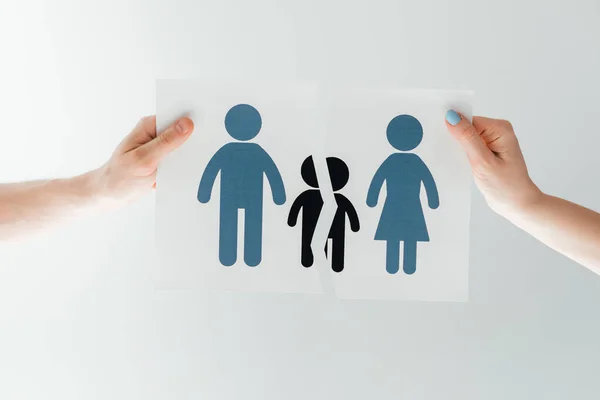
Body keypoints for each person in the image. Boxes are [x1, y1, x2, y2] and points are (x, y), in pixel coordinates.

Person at [0, 111, 598, 273]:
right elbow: (279, 186)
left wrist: (523, 205)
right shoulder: (257, 154)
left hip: (378, 220)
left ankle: (251, 253)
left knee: (284, 235)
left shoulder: (261, 157)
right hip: (379, 218)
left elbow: (286, 188)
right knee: (280, 233)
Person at [197, 104, 286, 267]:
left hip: (232, 194)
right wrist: (278, 196)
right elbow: (272, 173)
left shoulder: (228, 150)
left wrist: (204, 194)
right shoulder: (255, 151)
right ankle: (245, 257)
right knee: (245, 224)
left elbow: (211, 171)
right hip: (248, 195)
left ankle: (233, 257)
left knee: (235, 223)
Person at [367, 114, 439, 275]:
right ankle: (400, 267)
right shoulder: (412, 160)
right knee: (405, 235)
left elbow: (378, 180)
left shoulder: (395, 160)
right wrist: (432, 201)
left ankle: (403, 267)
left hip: (398, 204)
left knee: (404, 235)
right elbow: (428, 182)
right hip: (406, 204)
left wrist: (372, 199)